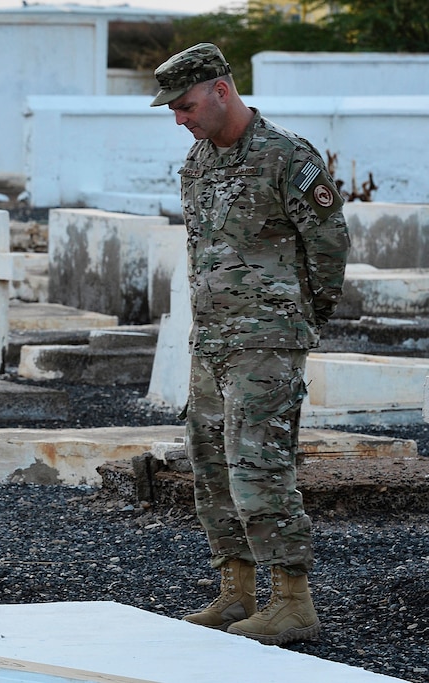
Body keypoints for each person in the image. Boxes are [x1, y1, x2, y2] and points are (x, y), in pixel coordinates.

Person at [150, 43, 350, 645]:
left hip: (266, 342)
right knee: (211, 465)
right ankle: (236, 591)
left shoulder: (286, 156)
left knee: (259, 464)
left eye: (184, 106)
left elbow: (329, 243)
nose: (179, 120)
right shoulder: (199, 164)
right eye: (172, 111)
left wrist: (297, 319)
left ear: (220, 90)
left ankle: (292, 599)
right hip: (211, 342)